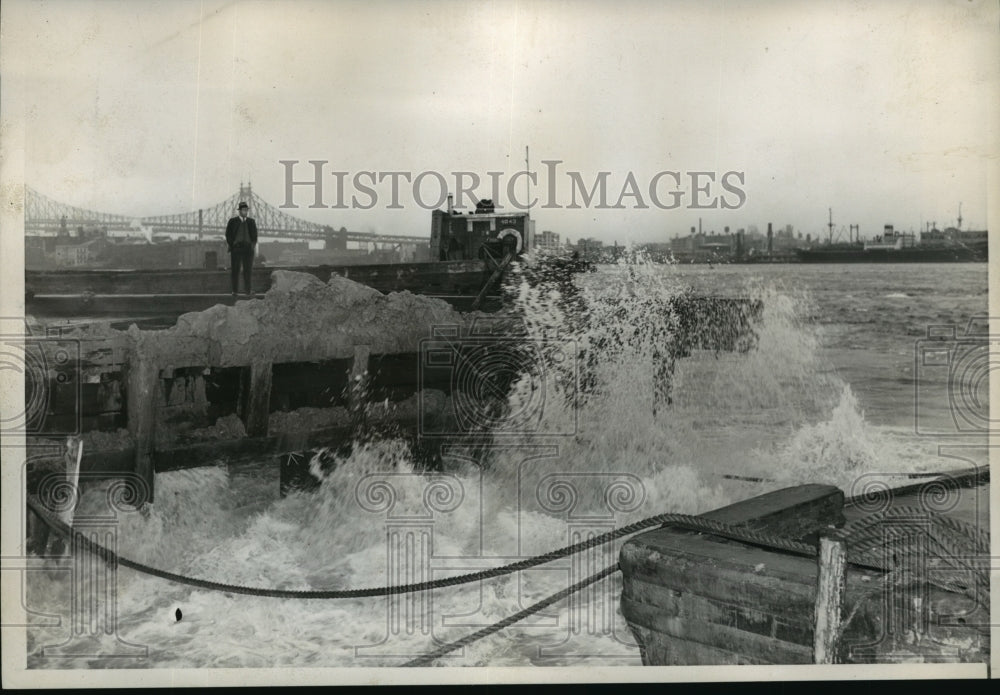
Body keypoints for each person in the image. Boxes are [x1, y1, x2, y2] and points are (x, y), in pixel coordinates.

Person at [225, 201, 258, 296]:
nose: (245, 211)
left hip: (248, 249)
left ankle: (248, 290)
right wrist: (232, 245)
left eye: (246, 210)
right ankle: (235, 291)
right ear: (239, 211)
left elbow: (254, 236)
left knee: (248, 270)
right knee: (235, 270)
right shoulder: (232, 221)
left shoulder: (251, 222)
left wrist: (252, 246)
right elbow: (228, 234)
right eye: (243, 210)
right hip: (237, 249)